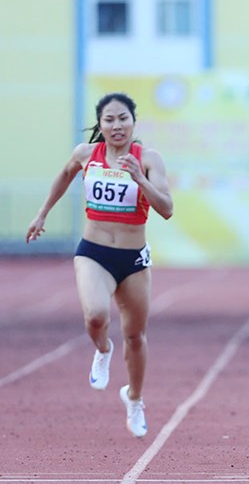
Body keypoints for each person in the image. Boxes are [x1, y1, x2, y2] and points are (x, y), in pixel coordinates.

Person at [26, 92, 173, 438]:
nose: (117, 125)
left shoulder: (148, 159)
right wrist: (42, 213)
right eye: (109, 119)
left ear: (133, 122)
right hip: (93, 252)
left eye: (123, 118)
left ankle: (134, 398)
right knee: (96, 316)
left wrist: (140, 178)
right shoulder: (85, 154)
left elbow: (166, 208)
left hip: (134, 260)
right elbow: (63, 176)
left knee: (135, 336)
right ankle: (103, 349)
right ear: (100, 124)